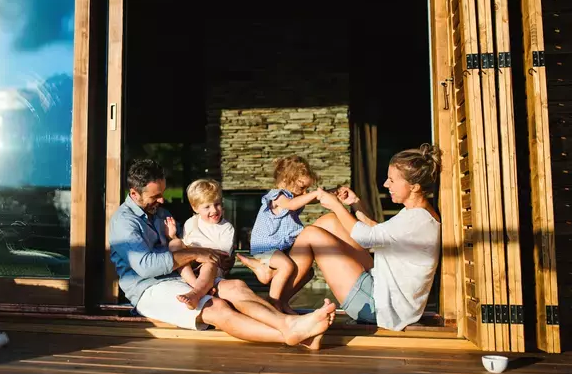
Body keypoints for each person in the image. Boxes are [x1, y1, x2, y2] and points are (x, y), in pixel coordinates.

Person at [109, 159, 336, 348]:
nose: (162, 200)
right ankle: (294, 335)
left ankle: (290, 324)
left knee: (236, 286)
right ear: (134, 193)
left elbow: (182, 245)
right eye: (155, 196)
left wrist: (216, 261)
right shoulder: (124, 222)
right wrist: (199, 254)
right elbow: (147, 266)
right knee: (216, 307)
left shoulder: (159, 212)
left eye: (162, 193)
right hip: (148, 288)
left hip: (179, 277)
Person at [282, 144, 442, 330]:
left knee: (311, 234)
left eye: (391, 180)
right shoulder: (416, 213)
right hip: (381, 288)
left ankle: (277, 296)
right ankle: (284, 287)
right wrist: (355, 203)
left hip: (380, 308)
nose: (385, 185)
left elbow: (368, 238)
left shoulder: (416, 221)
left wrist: (336, 205)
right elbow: (378, 232)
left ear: (414, 187)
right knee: (329, 222)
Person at [237, 155, 320, 315]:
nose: (304, 192)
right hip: (266, 246)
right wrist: (314, 194)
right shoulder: (278, 195)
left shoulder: (295, 196)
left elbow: (311, 200)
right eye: (302, 187)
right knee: (286, 266)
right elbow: (291, 204)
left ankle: (281, 299)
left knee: (307, 272)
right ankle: (273, 304)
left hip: (280, 247)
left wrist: (332, 193)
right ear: (285, 180)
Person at [164, 179, 235, 310]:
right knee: (175, 243)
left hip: (213, 267)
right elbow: (185, 247)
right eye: (207, 207)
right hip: (191, 268)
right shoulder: (191, 223)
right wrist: (173, 236)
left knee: (209, 264)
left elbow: (221, 256)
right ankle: (197, 285)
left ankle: (196, 294)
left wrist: (195, 252)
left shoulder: (226, 228)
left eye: (217, 204)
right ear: (195, 208)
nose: (214, 210)